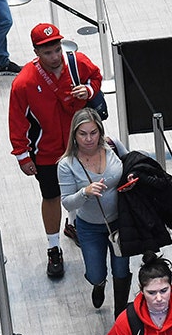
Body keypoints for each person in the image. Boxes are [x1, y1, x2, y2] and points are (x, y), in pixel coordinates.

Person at [9, 23, 103, 279]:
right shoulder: (24, 83)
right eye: (47, 52)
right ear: (36, 52)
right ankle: (53, 249)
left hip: (82, 146)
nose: (54, 56)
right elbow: (17, 121)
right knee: (51, 197)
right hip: (47, 154)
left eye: (56, 49)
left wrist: (90, 90)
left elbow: (96, 77)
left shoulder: (77, 63)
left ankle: (73, 226)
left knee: (84, 188)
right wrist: (22, 155)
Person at [58, 108, 133, 314]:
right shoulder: (67, 165)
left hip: (119, 223)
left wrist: (132, 181)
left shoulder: (112, 146)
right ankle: (98, 284)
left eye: (93, 132)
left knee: (121, 269)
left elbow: (131, 164)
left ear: (100, 131)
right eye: (83, 134)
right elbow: (67, 203)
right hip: (89, 227)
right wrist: (85, 192)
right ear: (74, 135)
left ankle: (120, 313)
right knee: (95, 272)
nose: (89, 139)